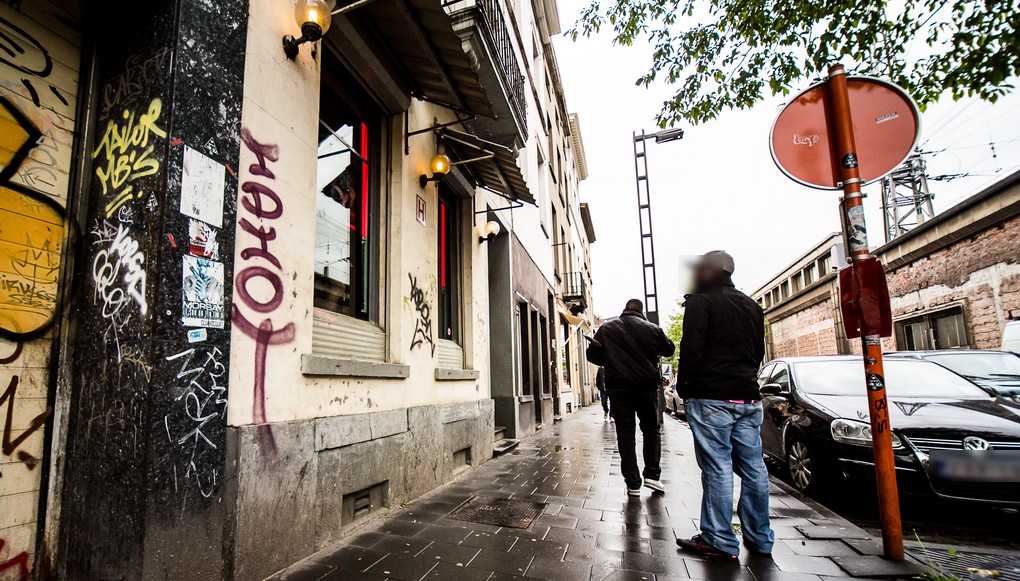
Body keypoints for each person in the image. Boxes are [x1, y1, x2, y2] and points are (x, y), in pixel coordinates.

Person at [674, 251, 774, 559]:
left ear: (709, 272)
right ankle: (760, 538)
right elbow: (758, 351)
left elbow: (692, 350)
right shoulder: (751, 306)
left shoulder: (700, 301)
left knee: (717, 468)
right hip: (747, 397)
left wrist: (685, 389)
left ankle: (719, 538)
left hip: (712, 398)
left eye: (699, 269)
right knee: (754, 468)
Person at [586, 299, 675, 496]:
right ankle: (652, 475)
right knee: (651, 430)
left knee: (625, 434)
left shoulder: (607, 329)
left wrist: (609, 358)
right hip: (646, 388)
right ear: (641, 312)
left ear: (624, 309)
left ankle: (632, 483)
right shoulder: (652, 329)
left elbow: (591, 355)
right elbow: (669, 349)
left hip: (619, 389)